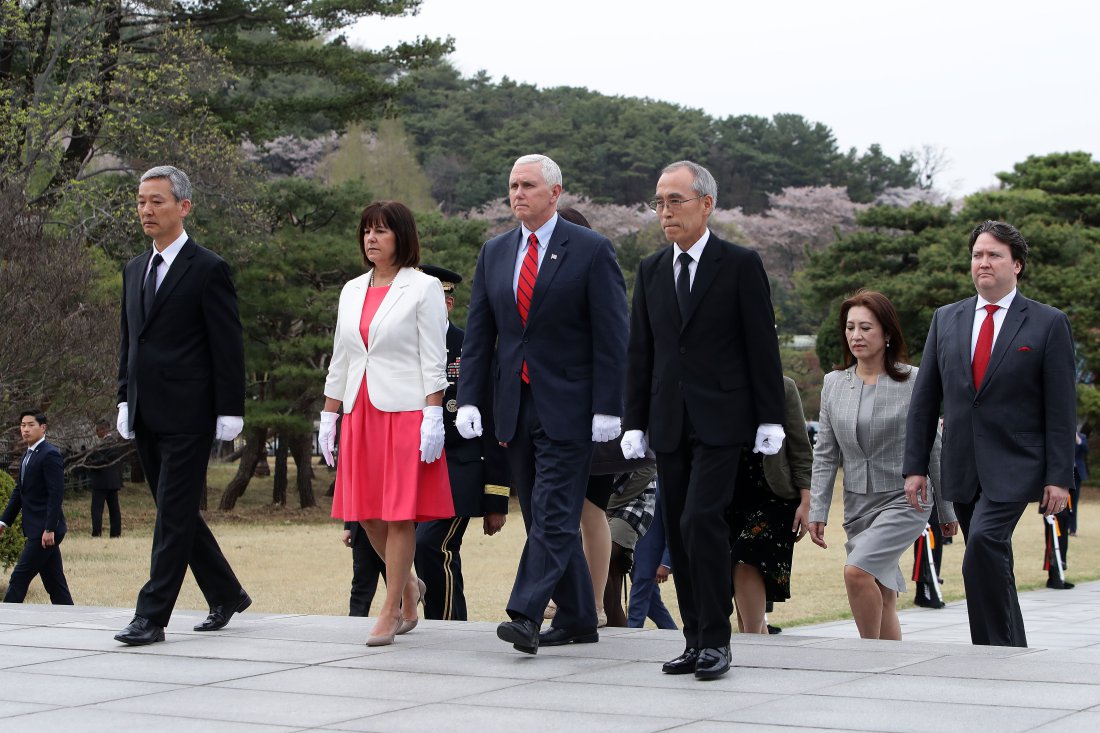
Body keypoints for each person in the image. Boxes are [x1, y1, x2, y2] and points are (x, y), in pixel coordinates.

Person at [455, 154, 629, 655]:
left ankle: (526, 612)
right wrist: (470, 399)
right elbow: (481, 336)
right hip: (513, 404)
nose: (518, 194)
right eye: (512, 185)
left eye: (528, 185)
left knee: (554, 511)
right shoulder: (495, 252)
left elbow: (612, 337)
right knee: (539, 514)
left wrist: (607, 407)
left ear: (555, 193)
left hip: (570, 407)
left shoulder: (592, 250)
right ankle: (577, 617)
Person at [621, 160, 786, 680]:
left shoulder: (738, 263)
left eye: (676, 201)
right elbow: (640, 352)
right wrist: (634, 420)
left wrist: (770, 417)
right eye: (659, 202)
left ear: (706, 204)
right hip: (669, 421)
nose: (665, 212)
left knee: (700, 520)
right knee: (680, 524)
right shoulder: (650, 270)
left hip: (722, 421)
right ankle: (694, 640)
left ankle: (717, 640)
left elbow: (762, 345)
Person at [904, 220, 1077, 648]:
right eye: (977, 255)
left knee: (983, 544)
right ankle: (1006, 647)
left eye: (994, 255)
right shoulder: (946, 320)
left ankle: (993, 649)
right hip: (961, 465)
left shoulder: (1048, 323)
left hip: (1017, 464)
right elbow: (925, 401)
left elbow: (1060, 408)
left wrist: (1060, 475)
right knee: (988, 557)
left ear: (1016, 265)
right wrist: (915, 468)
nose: (984, 262)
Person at [114, 166, 249, 645]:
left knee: (171, 515)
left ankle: (151, 616)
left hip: (191, 414)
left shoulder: (209, 268)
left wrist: (230, 409)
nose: (146, 210)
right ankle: (226, 592)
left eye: (157, 201)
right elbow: (130, 341)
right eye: (141, 202)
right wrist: (123, 397)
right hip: (146, 410)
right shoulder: (134, 268)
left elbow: (227, 346)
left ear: (183, 206)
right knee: (176, 513)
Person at [318, 200, 453, 647]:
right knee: (365, 514)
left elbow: (434, 355)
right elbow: (342, 357)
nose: (371, 238)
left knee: (399, 515)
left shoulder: (424, 287)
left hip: (406, 410)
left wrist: (434, 412)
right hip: (359, 410)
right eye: (366, 231)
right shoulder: (352, 289)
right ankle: (411, 584)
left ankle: (392, 606)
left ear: (402, 237)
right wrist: (328, 414)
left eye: (381, 231)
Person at [809, 290, 956, 640]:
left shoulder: (915, 380)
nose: (856, 336)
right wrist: (818, 508)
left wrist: (947, 512)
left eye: (866, 328)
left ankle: (867, 657)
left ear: (887, 333)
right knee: (883, 590)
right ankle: (888, 671)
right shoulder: (833, 384)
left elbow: (933, 448)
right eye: (850, 327)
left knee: (856, 572)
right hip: (858, 503)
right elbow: (826, 452)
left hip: (906, 499)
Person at [413, 264, 509, 621]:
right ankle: (423, 616)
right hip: (414, 468)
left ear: (448, 305)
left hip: (459, 470)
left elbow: (495, 424)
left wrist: (496, 497)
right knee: (409, 548)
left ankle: (450, 623)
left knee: (432, 545)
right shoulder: (402, 349)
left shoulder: (472, 349)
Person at [729, 376, 813, 634]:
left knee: (745, 558)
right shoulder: (716, 382)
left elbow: (800, 447)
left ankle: (754, 641)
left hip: (776, 497)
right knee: (735, 574)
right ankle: (756, 643)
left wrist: (807, 501)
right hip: (729, 496)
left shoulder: (783, 387)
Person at [0, 411, 73, 604]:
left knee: (19, 577)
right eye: (23, 425)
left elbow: (55, 494)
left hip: (45, 531)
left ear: (43, 427)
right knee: (55, 584)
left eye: (31, 425)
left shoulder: (50, 454)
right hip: (36, 528)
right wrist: (4, 521)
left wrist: (49, 528)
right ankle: (70, 618)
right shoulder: (28, 454)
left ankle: (5, 620)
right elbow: (19, 492)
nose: (25, 429)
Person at [627, 481, 677, 630]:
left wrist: (666, 563)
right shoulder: (634, 481)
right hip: (632, 554)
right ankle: (674, 634)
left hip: (652, 559)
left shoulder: (664, 485)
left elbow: (672, 529)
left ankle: (630, 638)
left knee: (637, 604)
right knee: (654, 605)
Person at [87, 419, 123, 538]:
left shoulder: (102, 445)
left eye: (98, 430)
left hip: (100, 482)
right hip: (113, 482)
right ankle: (115, 533)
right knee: (114, 509)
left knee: (97, 509)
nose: (97, 433)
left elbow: (97, 463)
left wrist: (89, 464)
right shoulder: (116, 443)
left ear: (104, 429)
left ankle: (96, 532)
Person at [342, 522, 386, 616]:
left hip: (392, 528)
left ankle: (404, 620)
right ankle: (355, 625)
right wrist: (348, 526)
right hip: (361, 527)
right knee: (361, 585)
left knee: (398, 585)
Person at [1071, 430, 1088, 535]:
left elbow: (1086, 450)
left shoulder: (1082, 436)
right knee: (1063, 504)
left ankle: (1073, 529)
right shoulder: (1064, 435)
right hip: (1066, 473)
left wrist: (1078, 440)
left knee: (1074, 502)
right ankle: (1063, 527)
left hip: (1077, 474)